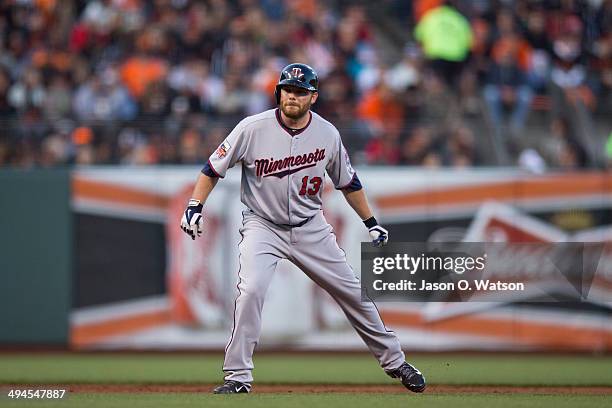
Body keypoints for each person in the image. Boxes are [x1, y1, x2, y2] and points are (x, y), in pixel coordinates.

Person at [180, 63, 426, 395]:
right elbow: (212, 169)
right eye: (287, 90)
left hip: (311, 228)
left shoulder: (327, 134)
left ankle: (397, 363)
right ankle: (237, 377)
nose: (292, 96)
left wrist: (371, 222)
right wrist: (195, 206)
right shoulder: (252, 127)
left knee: (352, 293)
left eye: (300, 91)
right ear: (278, 92)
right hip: (262, 226)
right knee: (250, 291)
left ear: (313, 97)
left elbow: (348, 183)